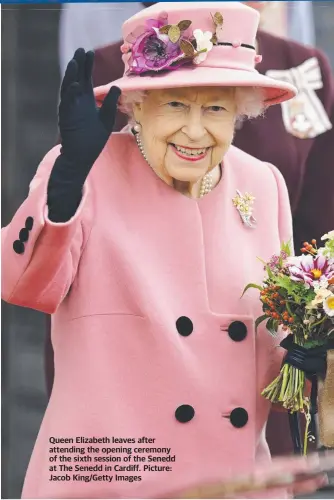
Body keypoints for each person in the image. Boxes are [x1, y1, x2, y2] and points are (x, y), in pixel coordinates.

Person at [2, 2, 333, 498]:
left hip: (237, 485)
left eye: (216, 108)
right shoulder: (85, 171)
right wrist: (66, 184)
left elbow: (269, 355)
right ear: (137, 105)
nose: (195, 132)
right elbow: (20, 283)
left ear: (242, 111)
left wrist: (307, 357)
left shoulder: (263, 185)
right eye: (175, 104)